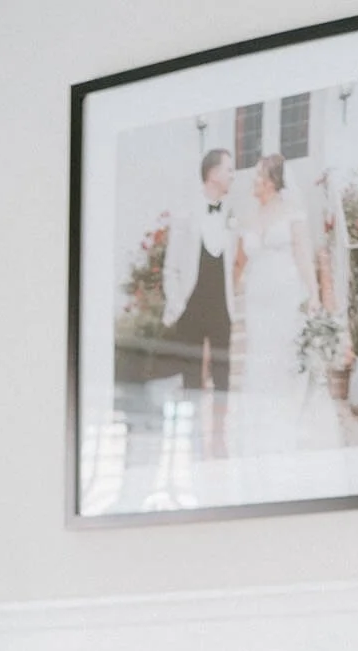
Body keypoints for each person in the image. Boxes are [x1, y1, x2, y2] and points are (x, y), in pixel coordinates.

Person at [232, 152, 336, 455]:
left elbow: (303, 255)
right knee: (259, 354)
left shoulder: (292, 211)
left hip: (286, 292)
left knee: (283, 353)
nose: (253, 179)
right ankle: (258, 421)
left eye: (258, 175)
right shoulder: (250, 216)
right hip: (257, 297)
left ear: (272, 181)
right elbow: (240, 259)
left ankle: (285, 419)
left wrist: (314, 294)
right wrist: (239, 283)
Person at [161, 147, 237, 452]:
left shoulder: (230, 213)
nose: (233, 175)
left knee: (223, 374)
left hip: (221, 308)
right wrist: (177, 304)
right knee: (191, 375)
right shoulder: (186, 212)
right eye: (229, 169)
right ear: (213, 173)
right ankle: (192, 441)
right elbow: (171, 267)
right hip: (192, 307)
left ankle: (218, 439)